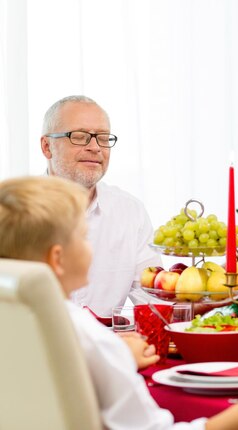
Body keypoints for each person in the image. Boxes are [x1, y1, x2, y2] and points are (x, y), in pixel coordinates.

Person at [0, 175, 238, 430]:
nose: (91, 245)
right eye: (83, 236)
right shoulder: (90, 337)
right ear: (57, 259)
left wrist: (119, 355)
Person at [40, 95, 162, 317]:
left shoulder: (130, 212)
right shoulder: (16, 215)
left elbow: (154, 301)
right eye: (80, 137)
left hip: (108, 348)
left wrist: (204, 296)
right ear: (47, 147)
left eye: (104, 138)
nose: (96, 147)